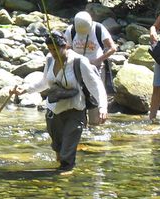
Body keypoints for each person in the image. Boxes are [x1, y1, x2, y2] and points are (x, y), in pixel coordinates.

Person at [10, 30, 107, 173]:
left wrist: (103, 107)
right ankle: (61, 173)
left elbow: (95, 85)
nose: (53, 53)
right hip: (53, 111)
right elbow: (44, 82)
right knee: (58, 148)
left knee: (67, 151)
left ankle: (65, 177)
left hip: (75, 111)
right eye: (50, 49)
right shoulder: (49, 60)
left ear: (65, 46)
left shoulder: (79, 62)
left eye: (55, 49)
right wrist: (24, 89)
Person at [66, 11, 117, 94]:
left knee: (98, 91)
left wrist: (98, 60)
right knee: (79, 92)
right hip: (77, 66)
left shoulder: (98, 29)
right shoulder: (71, 30)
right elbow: (66, 49)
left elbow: (112, 48)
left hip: (97, 66)